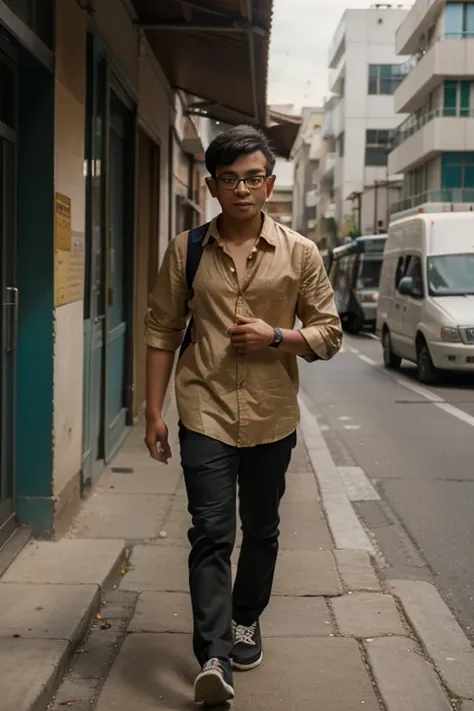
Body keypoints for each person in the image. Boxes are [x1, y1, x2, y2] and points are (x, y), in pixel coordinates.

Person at [144, 125, 342, 706]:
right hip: (202, 408)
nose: (242, 189)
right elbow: (162, 329)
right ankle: (214, 655)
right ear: (211, 185)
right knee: (210, 531)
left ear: (270, 183)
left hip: (272, 416)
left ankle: (246, 617)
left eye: (253, 177)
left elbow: (329, 335)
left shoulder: (300, 253)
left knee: (261, 529)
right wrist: (155, 412)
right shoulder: (185, 251)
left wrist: (277, 335)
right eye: (229, 179)